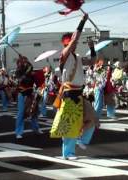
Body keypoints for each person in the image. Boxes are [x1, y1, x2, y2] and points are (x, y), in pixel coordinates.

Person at [50, 14, 98, 160]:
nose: (75, 43)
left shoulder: (77, 57)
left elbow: (92, 61)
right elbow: (75, 38)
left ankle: (81, 140)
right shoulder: (64, 55)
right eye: (71, 41)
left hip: (79, 93)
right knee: (68, 124)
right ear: (67, 43)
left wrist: (92, 47)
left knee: (93, 119)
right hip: (69, 94)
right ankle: (68, 153)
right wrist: (82, 21)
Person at [15, 55, 43, 139]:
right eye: (23, 61)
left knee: (34, 112)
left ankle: (36, 129)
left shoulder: (30, 71)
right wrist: (27, 72)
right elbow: (21, 79)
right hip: (22, 94)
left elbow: (37, 81)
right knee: (21, 113)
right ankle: (18, 132)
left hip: (30, 94)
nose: (25, 62)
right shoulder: (18, 71)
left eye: (26, 61)